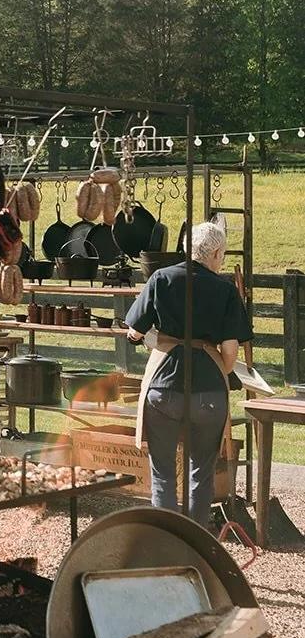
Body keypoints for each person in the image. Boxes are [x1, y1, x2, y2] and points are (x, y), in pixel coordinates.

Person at [124, 220, 252, 526]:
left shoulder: (160, 278)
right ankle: (195, 539)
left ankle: (166, 537)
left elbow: (134, 330)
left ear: (186, 249)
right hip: (208, 391)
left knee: (163, 472)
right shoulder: (225, 289)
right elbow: (231, 349)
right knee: (201, 474)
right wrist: (221, 370)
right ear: (217, 253)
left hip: (164, 386)